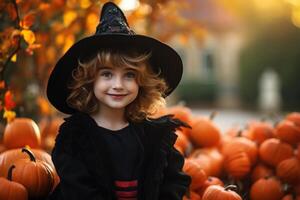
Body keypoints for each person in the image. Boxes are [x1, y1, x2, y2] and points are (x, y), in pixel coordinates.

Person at [46, 2, 191, 200]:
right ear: (90, 80)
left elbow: (174, 180)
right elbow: (79, 190)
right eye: (107, 74)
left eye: (129, 75)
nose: (118, 84)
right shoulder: (74, 138)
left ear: (142, 82)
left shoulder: (154, 137)